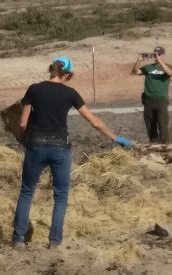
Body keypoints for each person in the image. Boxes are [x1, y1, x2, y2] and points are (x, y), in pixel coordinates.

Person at [11, 57, 132, 250]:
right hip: (60, 148)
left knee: (27, 192)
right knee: (60, 196)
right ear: (68, 74)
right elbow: (94, 122)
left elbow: (23, 123)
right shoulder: (71, 93)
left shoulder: (34, 89)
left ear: (51, 69)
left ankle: (18, 240)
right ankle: (54, 242)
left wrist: (20, 137)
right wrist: (116, 138)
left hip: (36, 146)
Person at [131, 46, 172, 144]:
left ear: (163, 55)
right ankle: (153, 143)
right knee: (150, 123)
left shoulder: (168, 66)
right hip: (148, 100)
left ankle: (164, 144)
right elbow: (135, 71)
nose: (156, 56)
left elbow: (170, 73)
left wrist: (159, 61)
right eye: (154, 54)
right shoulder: (148, 67)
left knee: (162, 123)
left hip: (161, 99)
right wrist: (139, 61)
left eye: (158, 54)